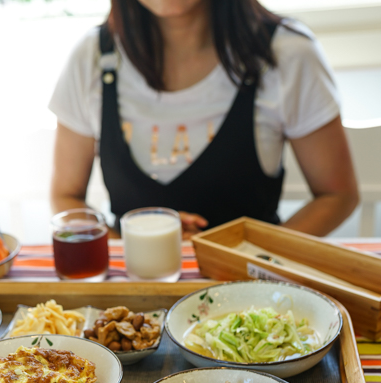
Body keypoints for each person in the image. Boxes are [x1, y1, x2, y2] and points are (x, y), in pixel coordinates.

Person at [49, 0, 359, 239]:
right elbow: (66, 195)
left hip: (248, 292)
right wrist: (127, 245)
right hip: (132, 292)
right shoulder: (91, 57)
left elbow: (337, 195)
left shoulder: (286, 53)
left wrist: (254, 256)